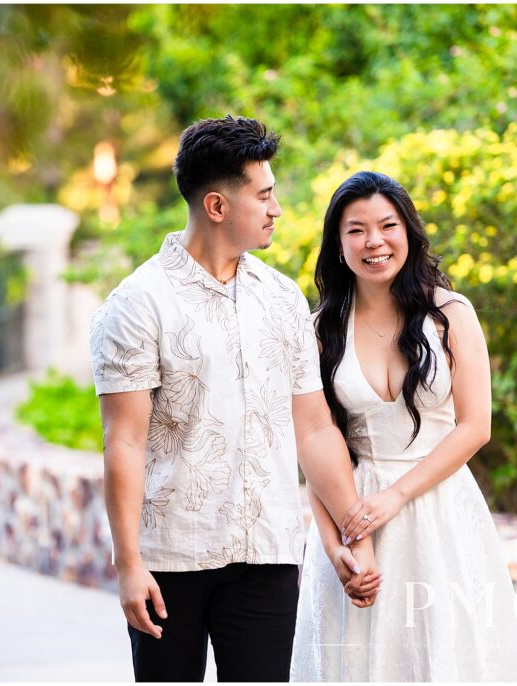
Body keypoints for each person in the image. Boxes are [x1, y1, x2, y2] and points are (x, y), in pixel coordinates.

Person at [90, 116, 379, 682]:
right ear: (218, 206)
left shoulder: (282, 299)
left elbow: (315, 428)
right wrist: (129, 565)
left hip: (268, 552)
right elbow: (122, 440)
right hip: (172, 558)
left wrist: (352, 534)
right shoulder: (138, 304)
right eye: (264, 195)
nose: (277, 209)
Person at [290, 171, 517, 681]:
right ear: (338, 245)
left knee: (445, 656)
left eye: (387, 225)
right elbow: (315, 445)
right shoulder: (319, 332)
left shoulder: (450, 314)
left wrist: (397, 496)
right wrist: (333, 542)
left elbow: (475, 427)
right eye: (355, 230)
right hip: (352, 515)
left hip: (440, 511)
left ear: (409, 231)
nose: (374, 242)